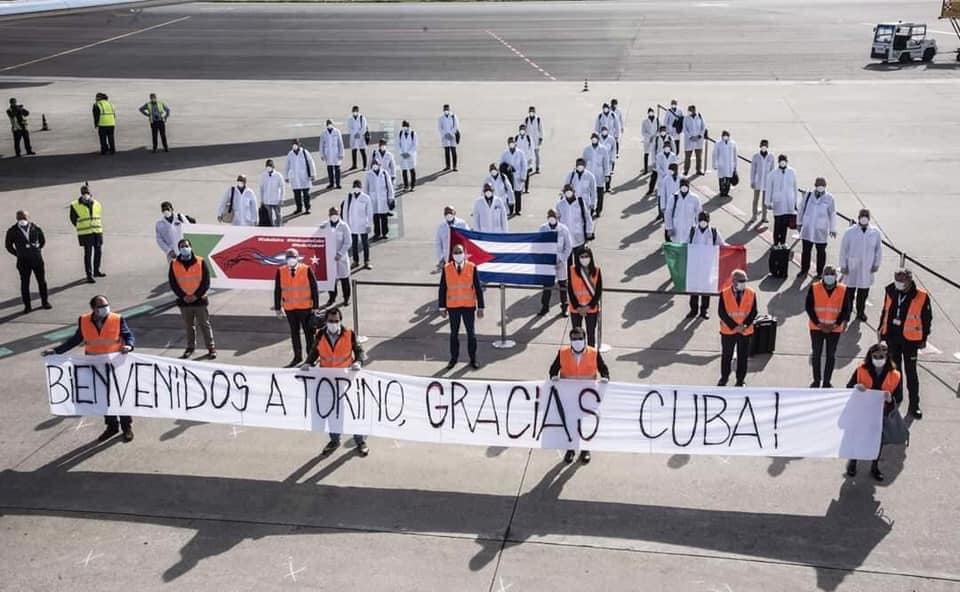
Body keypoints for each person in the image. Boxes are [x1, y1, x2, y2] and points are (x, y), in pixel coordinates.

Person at [42, 295, 135, 442]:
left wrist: (129, 346)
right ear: (93, 309)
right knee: (103, 397)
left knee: (119, 396)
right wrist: (56, 351)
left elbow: (127, 335)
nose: (105, 308)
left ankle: (127, 427)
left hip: (115, 364)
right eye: (101, 306)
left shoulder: (117, 318)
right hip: (95, 365)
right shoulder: (84, 320)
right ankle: (111, 426)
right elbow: (76, 339)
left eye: (106, 305)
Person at [305, 307, 368, 457]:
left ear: (340, 321)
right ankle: (334, 439)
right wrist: (308, 362)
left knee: (354, 411)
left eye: (337, 321)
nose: (334, 323)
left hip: (347, 379)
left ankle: (359, 440)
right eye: (331, 321)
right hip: (327, 381)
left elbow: (359, 351)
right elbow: (315, 351)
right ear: (326, 321)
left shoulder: (349, 334)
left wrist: (359, 361)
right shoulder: (320, 335)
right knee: (331, 411)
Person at [549, 326, 610, 465]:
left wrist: (605, 378)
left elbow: (604, 369)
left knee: (585, 424)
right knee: (571, 423)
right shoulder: (563, 353)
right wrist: (553, 377)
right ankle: (570, 449)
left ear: (585, 339)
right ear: (570, 340)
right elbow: (553, 369)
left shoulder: (594, 353)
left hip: (587, 397)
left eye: (580, 338)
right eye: (574, 339)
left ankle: (585, 450)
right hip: (569, 397)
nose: (577, 341)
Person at [879, 268, 932, 419]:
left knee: (911, 373)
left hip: (911, 340)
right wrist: (882, 331)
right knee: (895, 371)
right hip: (893, 337)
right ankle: (896, 397)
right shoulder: (891, 290)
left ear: (909, 281)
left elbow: (927, 319)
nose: (899, 283)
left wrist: (924, 338)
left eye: (902, 281)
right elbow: (886, 311)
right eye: (897, 280)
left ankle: (914, 405)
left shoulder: (921, 296)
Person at [846, 343, 900, 481]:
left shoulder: (895, 375)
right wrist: (856, 387)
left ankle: (874, 467)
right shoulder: (861, 369)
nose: (878, 359)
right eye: (875, 356)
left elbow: (898, 397)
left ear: (887, 357)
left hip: (880, 414)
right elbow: (849, 387)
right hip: (862, 411)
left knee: (877, 442)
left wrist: (889, 399)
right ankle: (853, 462)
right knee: (858, 438)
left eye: (881, 356)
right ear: (870, 357)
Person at [439, 243, 485, 369]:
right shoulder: (447, 268)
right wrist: (442, 307)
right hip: (453, 307)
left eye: (460, 252)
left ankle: (473, 359)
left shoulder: (471, 267)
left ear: (464, 254)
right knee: (454, 334)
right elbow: (442, 288)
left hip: (468, 306)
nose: (458, 254)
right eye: (455, 252)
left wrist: (481, 307)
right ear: (452, 255)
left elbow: (478, 288)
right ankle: (453, 359)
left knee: (471, 334)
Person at [169, 238, 216, 359]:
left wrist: (196, 295)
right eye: (182, 247)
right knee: (189, 326)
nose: (184, 248)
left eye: (186, 246)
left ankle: (211, 348)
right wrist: (183, 296)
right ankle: (190, 347)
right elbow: (173, 283)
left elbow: (206, 282)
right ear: (179, 249)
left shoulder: (200, 261)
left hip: (199, 300)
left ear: (191, 247)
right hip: (184, 302)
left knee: (204, 324)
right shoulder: (174, 264)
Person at [806, 265, 850, 388]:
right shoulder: (814, 287)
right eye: (827, 273)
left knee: (831, 355)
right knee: (816, 354)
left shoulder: (843, 289)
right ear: (823, 275)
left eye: (832, 273)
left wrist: (835, 324)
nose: (829, 276)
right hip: (816, 328)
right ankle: (816, 380)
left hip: (834, 329)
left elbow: (846, 309)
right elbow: (809, 307)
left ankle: (826, 381)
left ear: (836, 276)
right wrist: (819, 324)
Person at [274, 248, 320, 367]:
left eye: (293, 256)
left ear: (298, 257)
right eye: (288, 257)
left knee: (309, 334)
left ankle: (311, 358)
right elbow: (278, 290)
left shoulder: (306, 269)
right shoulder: (281, 271)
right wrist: (278, 308)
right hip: (290, 309)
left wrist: (316, 306)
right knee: (294, 333)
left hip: (305, 308)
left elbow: (314, 288)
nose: (291, 259)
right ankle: (297, 357)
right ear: (285, 259)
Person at [840, 208, 883, 322]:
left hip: (867, 267)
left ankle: (860, 312)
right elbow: (843, 250)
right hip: (852, 267)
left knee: (863, 293)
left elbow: (879, 250)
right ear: (858, 217)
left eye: (866, 215)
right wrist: (843, 265)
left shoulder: (875, 232)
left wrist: (876, 264)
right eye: (862, 215)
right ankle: (847, 313)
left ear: (869, 218)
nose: (864, 217)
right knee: (849, 292)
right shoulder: (850, 232)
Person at [717, 269, 757, 387]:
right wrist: (734, 326)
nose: (744, 283)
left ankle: (740, 380)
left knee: (742, 356)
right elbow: (722, 312)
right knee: (726, 356)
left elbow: (753, 312)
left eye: (745, 281)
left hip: (745, 331)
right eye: (741, 281)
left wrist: (744, 325)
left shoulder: (751, 293)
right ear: (733, 281)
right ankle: (724, 378)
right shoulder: (724, 293)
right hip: (729, 331)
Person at [6, 210, 49, 313]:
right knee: (25, 283)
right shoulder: (12, 231)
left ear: (28, 217)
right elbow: (8, 246)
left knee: (42, 281)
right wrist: (18, 254)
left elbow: (42, 241)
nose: (22, 220)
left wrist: (37, 250)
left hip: (37, 259)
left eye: (24, 217)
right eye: (20, 218)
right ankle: (27, 306)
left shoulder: (35, 228)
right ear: (17, 219)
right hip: (23, 261)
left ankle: (45, 302)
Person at [687, 211, 725, 319]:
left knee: (706, 288)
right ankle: (693, 310)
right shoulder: (693, 231)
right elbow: (685, 244)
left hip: (708, 265)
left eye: (705, 220)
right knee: (694, 288)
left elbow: (722, 245)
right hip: (695, 264)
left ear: (708, 221)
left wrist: (734, 249)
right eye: (701, 220)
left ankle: (704, 310)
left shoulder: (713, 232)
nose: (703, 223)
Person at [796, 177, 836, 279]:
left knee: (821, 252)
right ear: (815, 185)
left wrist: (832, 229)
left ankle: (819, 272)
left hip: (821, 230)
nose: (821, 187)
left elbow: (832, 214)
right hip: (808, 229)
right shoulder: (809, 195)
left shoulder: (829, 198)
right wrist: (799, 223)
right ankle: (804, 270)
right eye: (819, 185)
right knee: (806, 251)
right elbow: (801, 209)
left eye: (822, 185)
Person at [538, 209, 573, 317]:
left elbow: (568, 246)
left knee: (563, 286)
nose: (552, 218)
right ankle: (545, 307)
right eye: (550, 216)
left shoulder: (564, 229)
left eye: (554, 216)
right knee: (547, 286)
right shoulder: (543, 228)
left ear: (558, 217)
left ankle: (564, 307)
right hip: (548, 262)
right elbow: (539, 245)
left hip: (560, 262)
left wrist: (561, 259)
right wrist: (546, 259)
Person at [70, 184, 105, 283]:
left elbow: (98, 216)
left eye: (87, 193)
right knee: (88, 254)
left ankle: (96, 270)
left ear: (90, 193)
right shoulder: (75, 205)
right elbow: (73, 219)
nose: (86, 194)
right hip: (85, 233)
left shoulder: (97, 203)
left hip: (97, 231)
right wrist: (80, 226)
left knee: (98, 252)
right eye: (84, 193)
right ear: (81, 193)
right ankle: (89, 275)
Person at [568, 246, 602, 347]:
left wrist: (588, 306)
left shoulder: (596, 271)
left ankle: (591, 358)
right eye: (581, 256)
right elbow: (570, 290)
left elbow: (598, 291)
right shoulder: (572, 270)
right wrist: (578, 307)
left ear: (591, 257)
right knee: (576, 336)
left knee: (591, 335)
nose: (584, 258)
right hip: (576, 309)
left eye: (586, 256)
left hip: (591, 308)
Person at [764, 154, 798, 247]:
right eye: (781, 160)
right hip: (778, 203)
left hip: (788, 203)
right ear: (778, 162)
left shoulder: (792, 172)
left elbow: (795, 187)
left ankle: (783, 242)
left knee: (785, 225)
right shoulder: (773, 174)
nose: (783, 162)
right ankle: (775, 242)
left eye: (784, 160)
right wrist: (768, 202)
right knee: (777, 224)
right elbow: (769, 189)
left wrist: (796, 202)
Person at [323, 207, 352, 307]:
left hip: (341, 258)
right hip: (329, 258)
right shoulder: (325, 225)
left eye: (336, 213)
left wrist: (340, 253)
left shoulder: (344, 226)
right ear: (329, 215)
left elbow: (348, 242)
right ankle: (332, 298)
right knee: (331, 280)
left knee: (344, 279)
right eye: (332, 214)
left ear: (339, 214)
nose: (334, 216)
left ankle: (346, 298)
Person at [555, 185, 593, 260]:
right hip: (566, 239)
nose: (568, 192)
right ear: (563, 192)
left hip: (579, 237)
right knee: (567, 262)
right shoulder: (560, 204)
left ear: (574, 191)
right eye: (566, 190)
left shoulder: (580, 202)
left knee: (579, 260)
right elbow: (557, 221)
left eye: (570, 190)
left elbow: (587, 217)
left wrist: (589, 231)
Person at [342, 180, 373, 269]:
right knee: (354, 244)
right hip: (352, 224)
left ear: (361, 188)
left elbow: (369, 212)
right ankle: (356, 261)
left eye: (358, 187)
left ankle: (367, 261)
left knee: (365, 244)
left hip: (363, 224)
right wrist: (346, 224)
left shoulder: (366, 198)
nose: (356, 188)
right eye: (355, 186)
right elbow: (345, 211)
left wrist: (369, 224)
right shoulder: (349, 197)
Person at [664, 178, 702, 243]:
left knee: (688, 247)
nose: (684, 187)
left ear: (689, 186)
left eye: (686, 185)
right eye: (682, 185)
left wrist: (699, 228)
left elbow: (699, 214)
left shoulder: (695, 198)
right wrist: (669, 228)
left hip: (690, 228)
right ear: (679, 186)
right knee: (676, 247)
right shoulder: (673, 197)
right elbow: (668, 213)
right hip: (676, 228)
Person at [285, 139, 317, 215]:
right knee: (297, 195)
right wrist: (286, 177)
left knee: (306, 195)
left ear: (299, 144)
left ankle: (307, 208)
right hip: (295, 178)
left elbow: (311, 163)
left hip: (304, 177)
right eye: (293, 144)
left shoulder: (305, 152)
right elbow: (287, 166)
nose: (294, 145)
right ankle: (299, 209)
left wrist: (313, 174)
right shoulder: (290, 154)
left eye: (296, 144)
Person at [582, 133, 611, 217]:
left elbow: (606, 163)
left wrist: (607, 175)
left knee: (600, 194)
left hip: (599, 176)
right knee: (590, 194)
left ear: (598, 139)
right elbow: (583, 162)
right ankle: (591, 209)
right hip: (589, 175)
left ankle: (598, 210)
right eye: (593, 138)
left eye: (596, 138)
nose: (594, 139)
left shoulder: (603, 149)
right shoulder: (587, 149)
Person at [366, 159, 395, 240]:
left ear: (379, 165)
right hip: (373, 199)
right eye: (373, 164)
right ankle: (377, 233)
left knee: (384, 217)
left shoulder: (384, 173)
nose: (374, 165)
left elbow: (389, 187)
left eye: (376, 164)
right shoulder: (369, 174)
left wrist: (391, 197)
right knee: (375, 217)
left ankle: (385, 233)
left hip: (383, 199)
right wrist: (366, 200)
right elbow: (366, 188)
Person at [435, 205, 469, 269]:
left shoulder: (462, 224)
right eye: (446, 213)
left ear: (455, 213)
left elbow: (469, 237)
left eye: (450, 212)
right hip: (447, 257)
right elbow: (438, 244)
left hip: (461, 255)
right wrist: (441, 258)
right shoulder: (441, 227)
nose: (448, 214)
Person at [500, 136, 527, 215]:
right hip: (508, 176)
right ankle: (510, 210)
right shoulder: (505, 153)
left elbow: (524, 165)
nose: (511, 144)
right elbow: (501, 165)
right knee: (509, 193)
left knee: (518, 193)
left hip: (518, 176)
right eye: (510, 143)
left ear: (515, 143)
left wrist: (523, 176)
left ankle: (518, 210)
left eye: (513, 142)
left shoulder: (520, 153)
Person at [750, 140, 774, 221]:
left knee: (765, 200)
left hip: (766, 182)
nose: (764, 146)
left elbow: (772, 170)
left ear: (767, 146)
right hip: (757, 181)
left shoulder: (771, 156)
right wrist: (752, 181)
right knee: (755, 199)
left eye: (765, 145)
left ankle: (764, 217)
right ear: (760, 146)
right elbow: (753, 170)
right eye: (762, 145)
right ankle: (754, 216)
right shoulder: (756, 156)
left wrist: (772, 183)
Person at [682, 105, 706, 176]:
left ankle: (698, 170)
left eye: (690, 110)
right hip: (689, 140)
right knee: (687, 157)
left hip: (698, 140)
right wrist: (690, 137)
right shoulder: (686, 118)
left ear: (694, 110)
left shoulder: (699, 117)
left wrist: (699, 135)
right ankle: (686, 170)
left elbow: (703, 127)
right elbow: (684, 129)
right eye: (688, 110)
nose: (689, 111)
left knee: (699, 157)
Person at [319, 119, 344, 189]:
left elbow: (340, 143)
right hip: (328, 154)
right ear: (326, 125)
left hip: (336, 153)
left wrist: (341, 154)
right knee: (329, 169)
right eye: (328, 124)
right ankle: (331, 183)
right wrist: (322, 155)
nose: (329, 125)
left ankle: (338, 183)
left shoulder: (337, 132)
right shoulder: (323, 133)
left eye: (330, 123)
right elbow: (321, 145)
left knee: (337, 169)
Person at [259, 159, 285, 226]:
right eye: (267, 166)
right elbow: (261, 188)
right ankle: (271, 226)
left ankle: (279, 226)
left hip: (276, 199)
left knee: (278, 214)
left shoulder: (278, 175)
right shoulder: (263, 175)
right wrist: (262, 200)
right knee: (269, 215)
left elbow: (282, 188)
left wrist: (281, 199)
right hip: (267, 200)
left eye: (270, 166)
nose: (268, 167)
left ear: (273, 166)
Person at [712, 130, 737, 197]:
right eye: (724, 135)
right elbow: (715, 154)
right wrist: (714, 164)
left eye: (727, 135)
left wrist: (735, 166)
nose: (725, 137)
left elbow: (735, 155)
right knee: (721, 179)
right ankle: (722, 191)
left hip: (730, 165)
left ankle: (726, 192)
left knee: (728, 179)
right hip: (721, 164)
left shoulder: (733, 143)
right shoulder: (718, 143)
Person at [438, 104, 460, 171]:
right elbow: (439, 128)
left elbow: (456, 126)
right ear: (443, 110)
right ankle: (448, 166)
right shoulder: (441, 118)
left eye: (447, 109)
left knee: (453, 151)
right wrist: (445, 134)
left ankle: (454, 166)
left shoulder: (454, 116)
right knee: (446, 151)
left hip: (452, 136)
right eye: (445, 109)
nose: (446, 111)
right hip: (445, 137)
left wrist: (451, 134)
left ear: (449, 109)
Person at [397, 120, 418, 191]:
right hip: (403, 155)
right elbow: (398, 144)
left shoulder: (413, 133)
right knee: (404, 171)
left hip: (410, 155)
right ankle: (406, 186)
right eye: (403, 126)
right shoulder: (400, 133)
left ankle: (412, 185)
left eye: (405, 126)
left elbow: (415, 145)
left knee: (412, 170)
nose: (404, 128)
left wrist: (409, 153)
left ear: (408, 126)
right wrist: (401, 152)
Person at [346, 105, 369, 170]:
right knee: (354, 151)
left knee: (362, 151)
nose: (354, 112)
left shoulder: (362, 118)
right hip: (353, 137)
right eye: (353, 111)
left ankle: (365, 166)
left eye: (356, 111)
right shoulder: (350, 119)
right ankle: (354, 165)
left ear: (358, 111)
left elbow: (364, 128)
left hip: (361, 137)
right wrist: (354, 134)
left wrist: (359, 134)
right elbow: (349, 128)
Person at [523, 106, 543, 173]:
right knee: (529, 154)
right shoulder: (526, 119)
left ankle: (537, 167)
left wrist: (541, 138)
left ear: (535, 112)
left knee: (537, 154)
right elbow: (524, 129)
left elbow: (541, 129)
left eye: (532, 111)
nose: (531, 112)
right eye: (530, 111)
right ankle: (530, 167)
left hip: (536, 140)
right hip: (528, 141)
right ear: (528, 112)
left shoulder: (538, 119)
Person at [516, 123, 535, 193]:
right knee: (519, 174)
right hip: (519, 160)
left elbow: (532, 150)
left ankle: (526, 188)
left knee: (526, 175)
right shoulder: (516, 138)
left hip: (527, 159)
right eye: (521, 129)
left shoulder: (528, 138)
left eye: (523, 129)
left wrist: (531, 160)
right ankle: (520, 188)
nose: (522, 131)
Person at [598, 126, 616, 192]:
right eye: (603, 130)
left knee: (608, 173)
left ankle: (608, 187)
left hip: (608, 159)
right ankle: (600, 187)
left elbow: (614, 149)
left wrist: (613, 159)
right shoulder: (598, 138)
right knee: (600, 174)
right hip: (600, 159)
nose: (604, 131)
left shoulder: (611, 139)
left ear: (608, 131)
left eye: (605, 130)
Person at [640, 107, 657, 173]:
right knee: (646, 154)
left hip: (655, 140)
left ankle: (655, 168)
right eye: (649, 112)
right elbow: (643, 132)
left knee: (655, 155)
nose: (651, 113)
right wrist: (650, 137)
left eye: (652, 112)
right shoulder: (644, 122)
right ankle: (646, 169)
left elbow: (660, 129)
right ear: (648, 113)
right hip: (647, 140)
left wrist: (654, 136)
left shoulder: (657, 120)